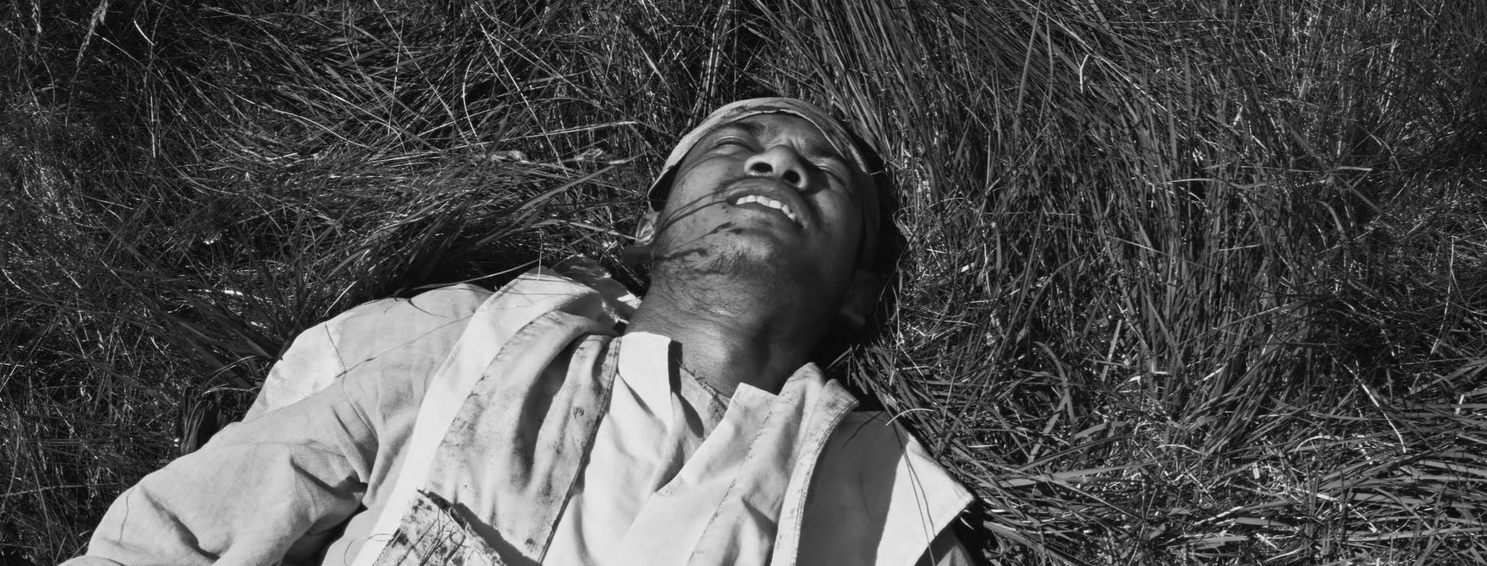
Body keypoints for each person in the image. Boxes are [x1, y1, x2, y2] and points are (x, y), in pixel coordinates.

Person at [63, 98, 978, 566]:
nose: (781, 159)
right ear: (648, 231)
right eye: (734, 150)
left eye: (825, 170)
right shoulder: (476, 341)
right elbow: (208, 518)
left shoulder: (892, 505)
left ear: (859, 294)